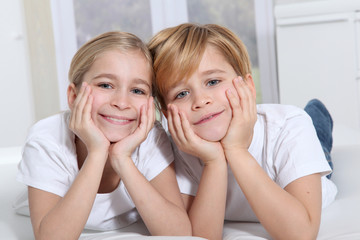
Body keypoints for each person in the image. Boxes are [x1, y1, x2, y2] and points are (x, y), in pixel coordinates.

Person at [148, 23, 337, 240]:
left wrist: (236, 150)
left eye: (213, 81)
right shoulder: (172, 151)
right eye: (181, 94)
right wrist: (214, 161)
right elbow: (201, 236)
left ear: (247, 86)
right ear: (165, 113)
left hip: (301, 158)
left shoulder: (288, 126)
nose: (201, 100)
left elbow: (301, 234)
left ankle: (317, 113)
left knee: (316, 135)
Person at [15, 31, 191, 240]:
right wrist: (97, 152)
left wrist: (122, 158)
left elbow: (179, 234)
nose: (121, 102)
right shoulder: (47, 139)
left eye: (137, 90)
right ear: (74, 96)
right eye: (105, 85)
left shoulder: (151, 138)